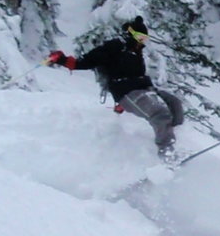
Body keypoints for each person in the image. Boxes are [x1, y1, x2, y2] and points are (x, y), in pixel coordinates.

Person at [47, 16, 184, 163]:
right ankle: (166, 155)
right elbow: (85, 62)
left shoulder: (135, 52)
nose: (142, 42)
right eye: (140, 38)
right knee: (159, 113)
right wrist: (62, 60)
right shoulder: (114, 47)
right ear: (131, 35)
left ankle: (174, 144)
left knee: (175, 105)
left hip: (144, 88)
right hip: (127, 91)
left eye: (145, 39)